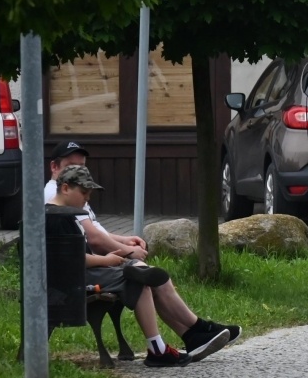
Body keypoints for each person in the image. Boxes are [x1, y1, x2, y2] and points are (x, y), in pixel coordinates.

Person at [45, 142, 240, 346]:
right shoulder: (59, 206)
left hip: (90, 267)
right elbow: (86, 244)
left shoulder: (70, 201)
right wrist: (122, 253)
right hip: (83, 274)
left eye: (82, 166)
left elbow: (93, 232)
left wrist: (123, 241)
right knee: (142, 277)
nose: (87, 199)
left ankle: (191, 333)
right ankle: (188, 333)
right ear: (56, 169)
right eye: (70, 166)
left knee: (147, 276)